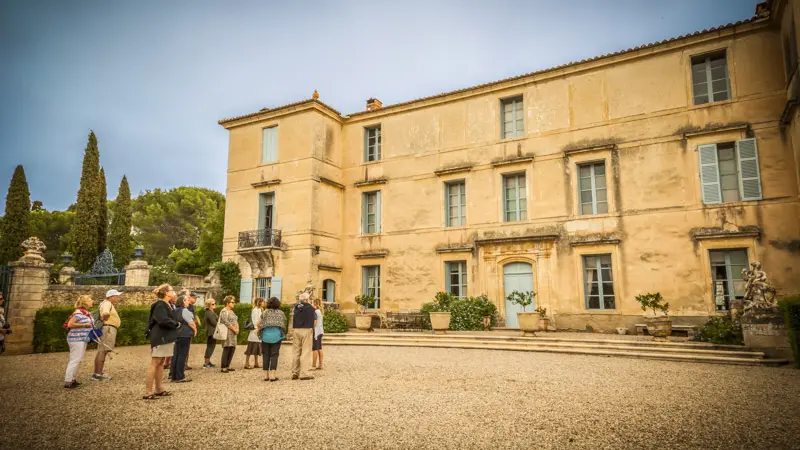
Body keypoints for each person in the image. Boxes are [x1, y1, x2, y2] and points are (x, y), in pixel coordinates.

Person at [144, 284, 180, 400]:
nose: (174, 292)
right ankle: (148, 392)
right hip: (160, 336)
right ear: (166, 293)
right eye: (172, 290)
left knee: (161, 362)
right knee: (155, 362)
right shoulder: (160, 304)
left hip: (166, 336)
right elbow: (162, 320)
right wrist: (176, 324)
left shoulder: (168, 304)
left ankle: (159, 388)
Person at [63, 295, 94, 389]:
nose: (92, 301)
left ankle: (72, 379)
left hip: (82, 338)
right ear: (85, 302)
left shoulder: (85, 313)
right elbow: (70, 324)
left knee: (78, 359)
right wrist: (85, 325)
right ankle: (68, 381)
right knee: (75, 359)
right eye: (90, 300)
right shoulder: (78, 312)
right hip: (76, 339)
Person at [92, 289, 122, 381]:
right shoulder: (107, 303)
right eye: (116, 296)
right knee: (103, 351)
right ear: (111, 297)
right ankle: (98, 374)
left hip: (107, 328)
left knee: (102, 350)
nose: (117, 298)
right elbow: (105, 313)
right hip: (108, 328)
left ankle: (97, 373)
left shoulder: (105, 303)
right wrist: (105, 319)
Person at [168, 295, 196, 383]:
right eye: (187, 300)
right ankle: (180, 376)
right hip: (184, 334)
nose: (188, 301)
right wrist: (195, 330)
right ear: (183, 301)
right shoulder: (185, 310)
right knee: (182, 355)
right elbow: (191, 322)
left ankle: (173, 375)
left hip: (177, 334)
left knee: (176, 354)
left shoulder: (174, 310)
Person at [258, 296, 286, 381]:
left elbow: (258, 323)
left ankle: (266, 376)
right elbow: (284, 324)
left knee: (265, 355)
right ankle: (273, 376)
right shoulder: (281, 313)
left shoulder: (265, 312)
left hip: (265, 337)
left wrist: (262, 327)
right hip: (276, 337)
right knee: (274, 355)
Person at [291, 292, 315, 380]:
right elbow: (313, 315)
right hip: (306, 329)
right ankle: (304, 373)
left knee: (296, 351)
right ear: (307, 299)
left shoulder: (296, 307)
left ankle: (295, 372)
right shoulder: (310, 307)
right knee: (306, 351)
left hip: (296, 330)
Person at [218, 295, 239, 373]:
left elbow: (236, 320)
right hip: (227, 333)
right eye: (232, 302)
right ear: (227, 303)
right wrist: (234, 329)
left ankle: (228, 365)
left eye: (234, 302)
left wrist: (237, 329)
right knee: (226, 348)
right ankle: (223, 367)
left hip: (233, 333)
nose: (234, 303)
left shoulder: (231, 311)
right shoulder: (224, 311)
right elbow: (226, 322)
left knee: (232, 349)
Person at [244, 297, 265, 369]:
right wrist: (258, 328)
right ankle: (246, 363)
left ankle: (256, 363)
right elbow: (254, 320)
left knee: (257, 347)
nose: (263, 303)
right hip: (255, 331)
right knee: (251, 347)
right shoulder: (255, 310)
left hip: (258, 330)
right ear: (259, 302)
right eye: (262, 301)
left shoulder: (260, 309)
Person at [184, 289, 200, 370]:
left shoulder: (191, 306)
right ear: (190, 298)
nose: (196, 300)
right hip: (186, 329)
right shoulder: (187, 307)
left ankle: (185, 364)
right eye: (195, 298)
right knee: (184, 348)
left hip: (190, 329)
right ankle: (183, 364)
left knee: (187, 347)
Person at [203, 298, 218, 369]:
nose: (214, 305)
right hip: (211, 332)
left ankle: (208, 362)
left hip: (211, 332)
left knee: (211, 346)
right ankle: (206, 363)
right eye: (213, 304)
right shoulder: (209, 312)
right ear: (208, 305)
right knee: (210, 347)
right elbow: (214, 323)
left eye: (214, 303)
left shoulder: (211, 312)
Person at [312, 298, 324, 371]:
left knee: (315, 348)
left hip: (316, 332)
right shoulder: (320, 311)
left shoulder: (315, 311)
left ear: (315, 304)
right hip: (320, 331)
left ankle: (313, 365)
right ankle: (320, 364)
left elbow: (315, 322)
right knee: (319, 348)